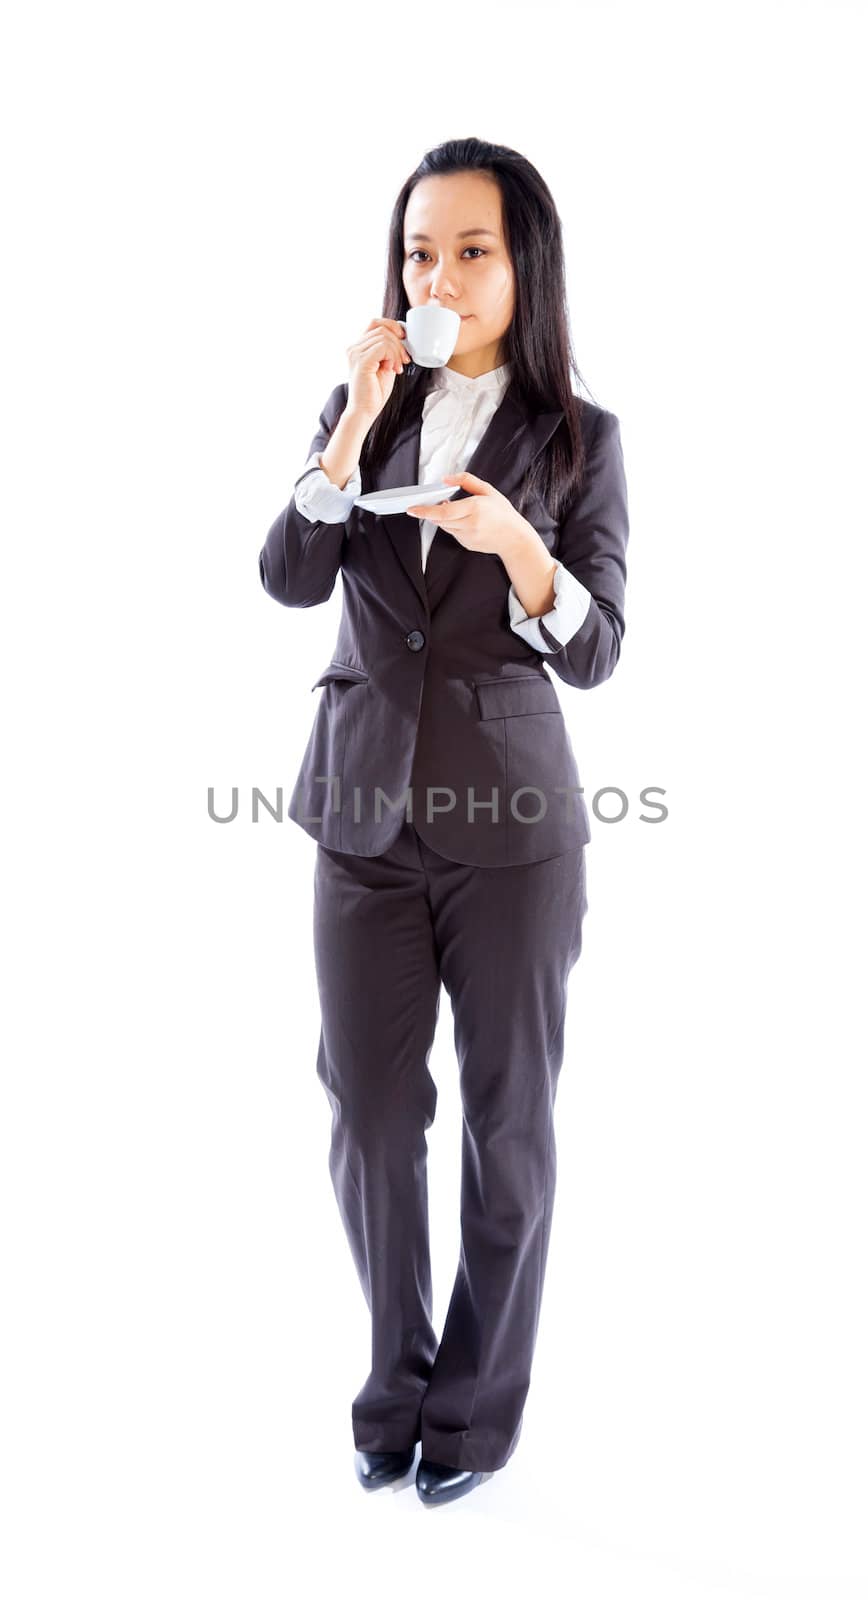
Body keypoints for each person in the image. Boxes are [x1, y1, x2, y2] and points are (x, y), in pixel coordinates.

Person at [258, 136, 630, 1507]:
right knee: (365, 1111)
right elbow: (289, 573)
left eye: (471, 250)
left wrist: (519, 547)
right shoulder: (361, 412)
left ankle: (472, 1417)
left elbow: (598, 651)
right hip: (359, 811)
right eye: (421, 250)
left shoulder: (583, 440)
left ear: (525, 266)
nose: (442, 274)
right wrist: (349, 430)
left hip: (515, 828)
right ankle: (392, 1385)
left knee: (508, 1124)